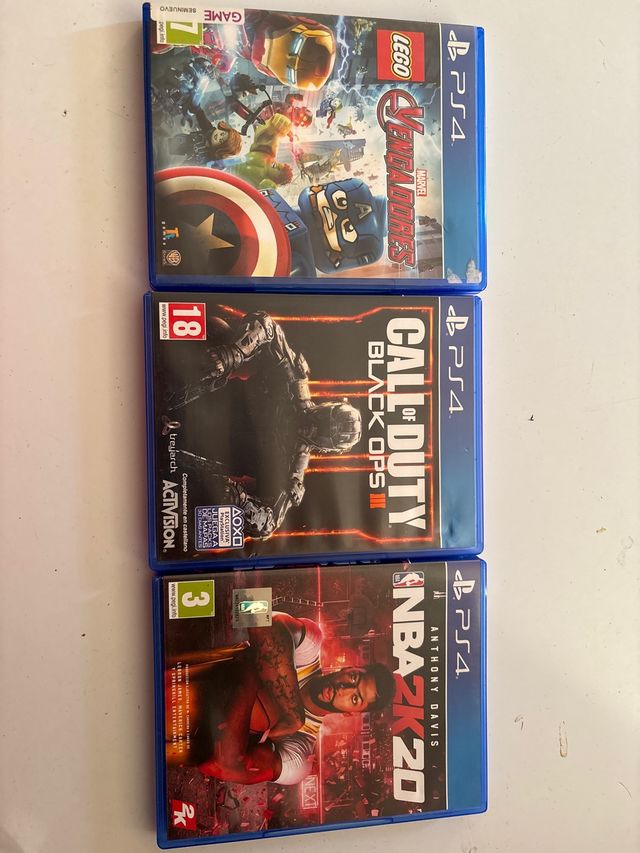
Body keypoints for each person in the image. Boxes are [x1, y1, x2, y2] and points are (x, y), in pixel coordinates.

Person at [166, 611, 395, 786]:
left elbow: (219, 765)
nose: (344, 689)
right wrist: (292, 714)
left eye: (355, 699)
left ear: (350, 714)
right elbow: (254, 610)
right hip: (167, 675)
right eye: (353, 677)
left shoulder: (300, 755)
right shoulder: (310, 644)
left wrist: (249, 678)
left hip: (167, 739)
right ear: (348, 667)